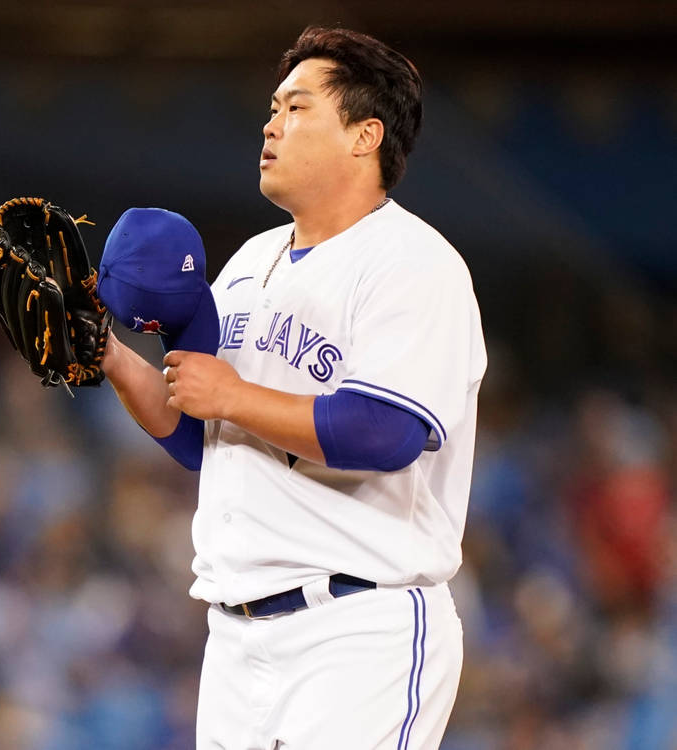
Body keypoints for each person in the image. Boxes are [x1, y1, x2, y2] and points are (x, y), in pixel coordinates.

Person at [100, 25, 487, 750]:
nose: (271, 122)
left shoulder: (414, 264)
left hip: (357, 630)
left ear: (364, 135)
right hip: (236, 638)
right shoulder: (250, 262)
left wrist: (232, 397)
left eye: (297, 106)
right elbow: (203, 438)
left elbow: (386, 433)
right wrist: (114, 360)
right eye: (273, 106)